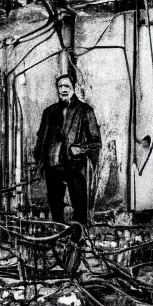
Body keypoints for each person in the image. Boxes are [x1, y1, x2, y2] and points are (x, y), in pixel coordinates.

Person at [34, 73, 101, 229]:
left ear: (74, 88)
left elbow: (96, 142)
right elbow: (41, 140)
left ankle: (79, 243)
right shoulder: (49, 112)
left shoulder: (85, 111)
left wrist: (79, 149)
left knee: (79, 212)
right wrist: (41, 162)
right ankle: (58, 242)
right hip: (53, 168)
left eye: (67, 86)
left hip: (75, 168)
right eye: (60, 86)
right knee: (56, 212)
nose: (63, 89)